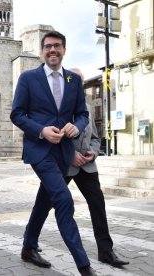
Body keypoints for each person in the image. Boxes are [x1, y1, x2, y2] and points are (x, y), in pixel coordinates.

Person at [10, 31, 97, 276]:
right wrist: (41, 130)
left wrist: (76, 126)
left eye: (57, 46)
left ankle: (28, 247)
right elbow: (17, 114)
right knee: (63, 199)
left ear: (64, 50)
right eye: (48, 46)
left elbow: (81, 114)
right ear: (42, 51)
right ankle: (84, 265)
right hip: (40, 150)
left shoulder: (73, 81)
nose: (52, 50)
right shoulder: (28, 78)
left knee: (45, 200)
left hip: (64, 152)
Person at [65, 68, 129, 267]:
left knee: (98, 205)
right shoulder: (58, 105)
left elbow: (94, 136)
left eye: (80, 81)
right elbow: (54, 138)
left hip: (87, 165)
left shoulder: (87, 106)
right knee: (44, 203)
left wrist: (93, 152)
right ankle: (30, 242)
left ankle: (106, 251)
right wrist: (70, 155)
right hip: (66, 164)